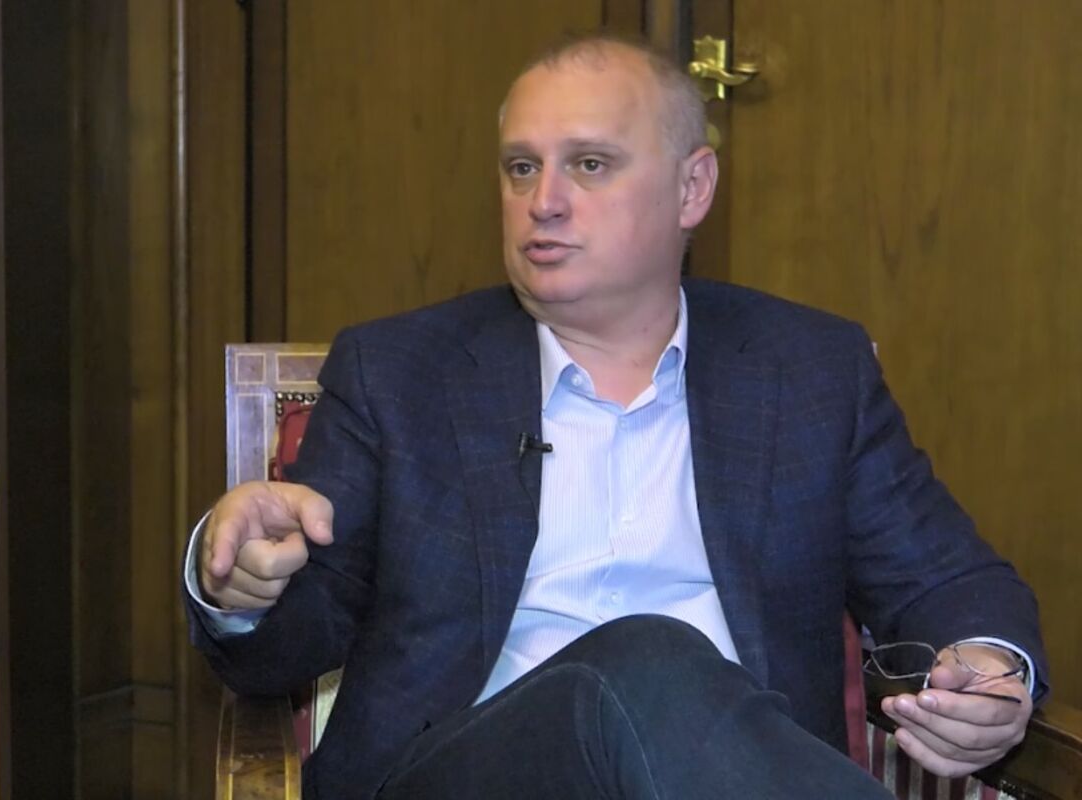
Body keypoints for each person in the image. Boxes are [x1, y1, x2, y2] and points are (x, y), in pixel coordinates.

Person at [184, 35, 1047, 799]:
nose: (544, 201)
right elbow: (285, 649)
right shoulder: (400, 372)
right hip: (462, 773)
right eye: (521, 167)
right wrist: (239, 588)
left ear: (692, 188)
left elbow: (946, 582)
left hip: (720, 779)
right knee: (644, 658)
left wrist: (989, 670)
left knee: (658, 672)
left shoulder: (809, 371)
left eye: (590, 165)